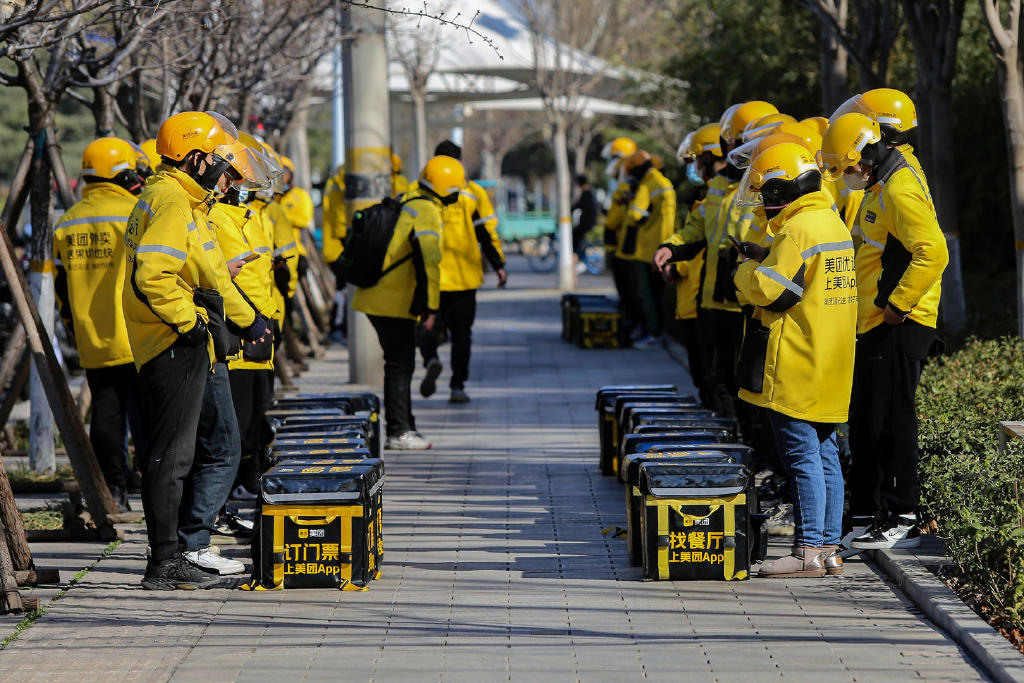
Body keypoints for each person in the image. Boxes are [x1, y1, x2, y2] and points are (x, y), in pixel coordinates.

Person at [123, 110, 251, 589]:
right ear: (196, 160)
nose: (225, 171)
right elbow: (151, 275)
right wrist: (191, 323)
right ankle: (164, 561)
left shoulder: (175, 197)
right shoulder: (173, 202)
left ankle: (177, 554)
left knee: (183, 453)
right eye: (219, 160)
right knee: (171, 458)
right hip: (170, 341)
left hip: (176, 340)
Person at [819, 112, 948, 550]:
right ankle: (876, 512)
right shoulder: (881, 185)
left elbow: (933, 251)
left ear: (868, 152)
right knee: (872, 420)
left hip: (901, 320)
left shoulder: (899, 189)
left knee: (896, 419)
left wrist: (897, 304)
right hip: (878, 320)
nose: (848, 175)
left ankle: (903, 516)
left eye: (848, 166)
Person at [731, 142, 858, 578]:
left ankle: (806, 552)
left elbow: (770, 290)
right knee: (826, 458)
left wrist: (743, 272)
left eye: (767, 192)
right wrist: (764, 258)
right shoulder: (830, 222)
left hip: (797, 362)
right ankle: (829, 549)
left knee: (802, 458)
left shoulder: (797, 229)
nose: (764, 202)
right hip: (832, 361)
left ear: (783, 187)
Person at [653, 101, 776, 417]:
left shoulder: (768, 185)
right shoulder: (719, 187)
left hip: (748, 301)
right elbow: (697, 229)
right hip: (714, 299)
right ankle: (729, 438)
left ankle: (751, 446)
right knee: (717, 377)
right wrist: (672, 248)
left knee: (749, 381)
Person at [54, 137, 145, 512]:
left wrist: (73, 325)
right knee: (145, 418)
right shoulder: (136, 212)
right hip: (139, 335)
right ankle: (153, 489)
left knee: (106, 415)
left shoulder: (67, 222)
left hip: (93, 337)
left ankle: (115, 492)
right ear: (122, 173)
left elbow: (61, 290)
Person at [352, 155, 446, 449]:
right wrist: (430, 308)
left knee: (399, 362)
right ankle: (399, 431)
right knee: (399, 364)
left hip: (375, 295)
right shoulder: (426, 210)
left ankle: (405, 424)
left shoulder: (407, 200)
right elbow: (429, 263)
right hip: (393, 300)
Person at [416, 140, 506, 404]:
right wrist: (499, 265)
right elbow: (486, 232)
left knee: (425, 325)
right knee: (462, 334)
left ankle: (430, 358)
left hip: (429, 274)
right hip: (464, 276)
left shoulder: (418, 190)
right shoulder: (473, 193)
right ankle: (457, 385)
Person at [619, 150, 676, 347]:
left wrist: (630, 202)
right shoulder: (664, 182)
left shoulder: (646, 186)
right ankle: (660, 331)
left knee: (649, 296)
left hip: (648, 249)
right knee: (659, 294)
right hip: (666, 245)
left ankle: (653, 333)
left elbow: (634, 216)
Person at [571, 174, 598, 272]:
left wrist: (569, 209)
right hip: (589, 221)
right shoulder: (591, 191)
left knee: (575, 238)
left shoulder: (587, 193)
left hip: (587, 222)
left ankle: (579, 260)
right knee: (578, 238)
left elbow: (579, 205)